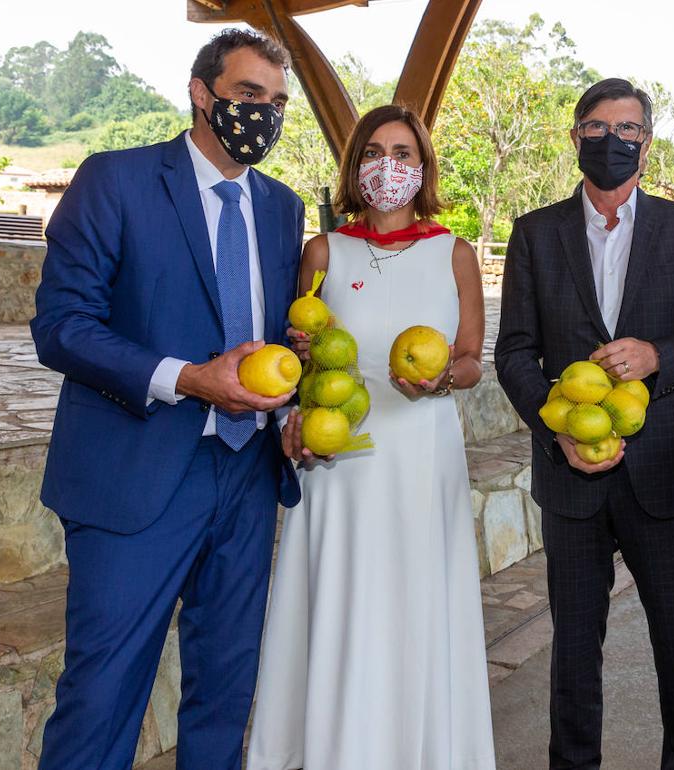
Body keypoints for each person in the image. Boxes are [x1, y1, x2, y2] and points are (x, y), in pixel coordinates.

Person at [31, 29, 304, 769]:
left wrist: (295, 392)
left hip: (246, 480)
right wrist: (188, 376)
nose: (265, 114)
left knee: (224, 690)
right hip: (136, 472)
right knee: (102, 693)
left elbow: (273, 336)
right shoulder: (115, 180)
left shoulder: (284, 207)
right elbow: (61, 328)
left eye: (278, 103)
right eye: (250, 96)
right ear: (201, 92)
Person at [495, 78, 674, 770]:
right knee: (573, 647)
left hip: (663, 467)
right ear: (574, 138)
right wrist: (557, 432)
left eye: (628, 130)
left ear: (647, 143)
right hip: (571, 475)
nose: (613, 141)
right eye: (597, 128)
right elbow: (513, 352)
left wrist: (659, 355)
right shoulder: (535, 233)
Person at [247, 104, 495, 770]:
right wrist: (301, 358)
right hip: (344, 454)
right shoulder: (325, 252)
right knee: (344, 596)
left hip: (422, 453)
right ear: (356, 166)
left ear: (423, 168)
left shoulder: (456, 252)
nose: (391, 165)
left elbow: (471, 358)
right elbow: (300, 352)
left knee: (416, 599)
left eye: (405, 154)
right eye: (377, 152)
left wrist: (442, 380)